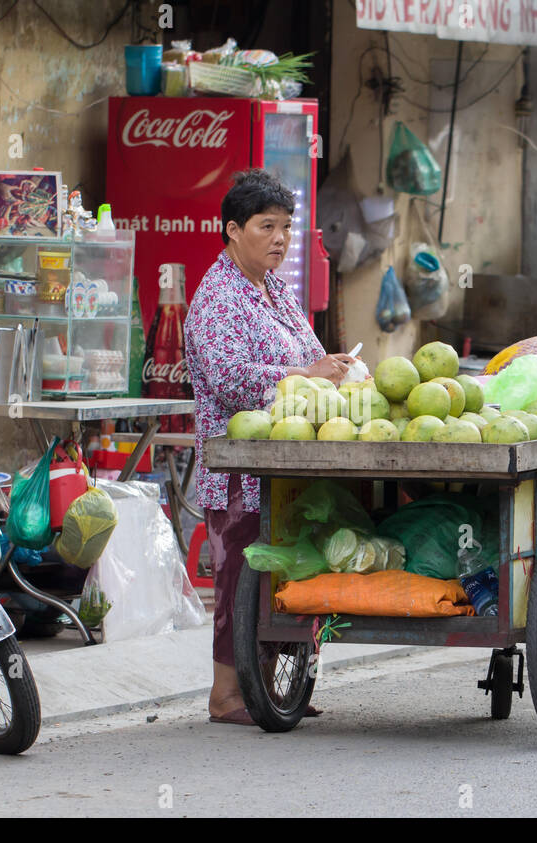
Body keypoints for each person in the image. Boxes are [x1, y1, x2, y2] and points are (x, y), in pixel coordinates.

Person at [184, 169, 359, 725]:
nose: (280, 238)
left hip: (287, 466)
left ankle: (278, 687)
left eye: (286, 227)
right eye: (267, 226)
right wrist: (306, 372)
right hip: (239, 470)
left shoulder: (275, 290)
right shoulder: (217, 297)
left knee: (289, 571)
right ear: (233, 230)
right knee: (240, 576)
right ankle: (227, 695)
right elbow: (231, 377)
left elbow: (307, 354)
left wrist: (333, 369)